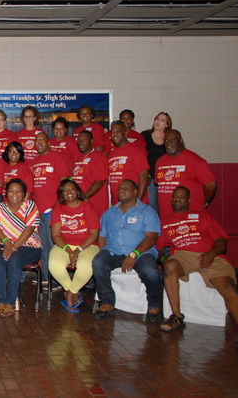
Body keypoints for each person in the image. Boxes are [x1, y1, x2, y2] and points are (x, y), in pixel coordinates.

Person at [158, 186, 238, 349]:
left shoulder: (202, 216)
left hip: (210, 255)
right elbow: (158, 248)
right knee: (170, 265)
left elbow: (222, 241)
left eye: (182, 197)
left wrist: (211, 253)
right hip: (183, 255)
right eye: (175, 197)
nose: (177, 199)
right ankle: (176, 316)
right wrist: (163, 258)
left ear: (189, 200)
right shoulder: (164, 221)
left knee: (228, 287)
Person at [91, 179, 161, 322]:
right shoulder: (110, 213)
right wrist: (104, 251)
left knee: (150, 271)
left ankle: (154, 304)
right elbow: (102, 236)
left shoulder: (147, 212)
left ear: (135, 191)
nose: (121, 190)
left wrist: (133, 255)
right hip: (114, 251)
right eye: (119, 189)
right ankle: (107, 302)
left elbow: (151, 238)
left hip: (141, 253)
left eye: (125, 188)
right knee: (98, 262)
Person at [0, 179, 42, 318]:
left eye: (19, 191)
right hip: (6, 244)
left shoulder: (30, 205)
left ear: (24, 193)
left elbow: (30, 229)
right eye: (12, 191)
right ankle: (1, 300)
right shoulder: (0, 207)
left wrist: (13, 247)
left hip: (30, 246)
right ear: (6, 193)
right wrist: (7, 244)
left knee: (13, 260)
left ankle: (11, 301)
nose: (15, 194)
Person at [49, 180, 100, 312]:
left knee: (85, 266)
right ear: (61, 194)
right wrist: (68, 250)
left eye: (71, 189)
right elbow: (56, 235)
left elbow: (94, 234)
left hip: (87, 245)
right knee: (54, 264)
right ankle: (71, 289)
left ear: (77, 191)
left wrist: (78, 250)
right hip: (64, 245)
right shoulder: (58, 209)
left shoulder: (87, 207)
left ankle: (71, 293)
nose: (69, 192)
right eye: (65, 190)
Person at [28, 132, 70, 284]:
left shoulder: (56, 157)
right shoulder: (36, 160)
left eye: (42, 140)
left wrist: (58, 204)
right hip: (39, 211)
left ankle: (58, 280)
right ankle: (47, 276)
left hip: (52, 210)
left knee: (54, 246)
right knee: (44, 245)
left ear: (48, 143)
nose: (39, 142)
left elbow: (64, 181)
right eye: (36, 140)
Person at [155, 129, 217, 218]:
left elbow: (211, 184)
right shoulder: (160, 162)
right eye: (166, 140)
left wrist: (203, 202)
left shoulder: (195, 161)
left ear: (180, 140)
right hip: (166, 216)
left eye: (172, 139)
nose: (168, 143)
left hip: (189, 215)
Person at [107, 120, 149, 205]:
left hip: (134, 204)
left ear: (125, 132)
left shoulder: (136, 151)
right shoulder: (111, 154)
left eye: (118, 131)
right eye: (113, 132)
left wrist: (137, 203)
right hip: (118, 205)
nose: (114, 134)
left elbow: (144, 178)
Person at [70, 130, 109, 218]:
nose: (81, 142)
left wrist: (84, 197)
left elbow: (100, 181)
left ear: (91, 141)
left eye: (84, 140)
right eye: (79, 140)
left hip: (95, 207)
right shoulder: (78, 159)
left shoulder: (99, 157)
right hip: (80, 207)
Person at [141, 112, 172, 211]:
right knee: (152, 205)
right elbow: (140, 155)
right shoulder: (145, 135)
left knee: (165, 204)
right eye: (157, 119)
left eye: (162, 120)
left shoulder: (170, 138)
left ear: (167, 125)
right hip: (151, 178)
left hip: (166, 177)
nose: (158, 121)